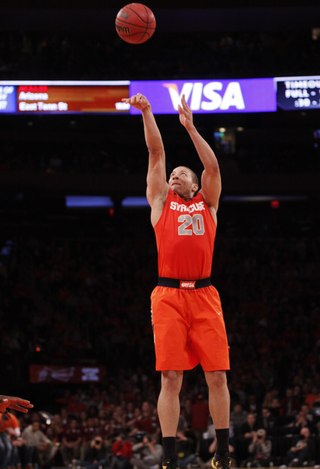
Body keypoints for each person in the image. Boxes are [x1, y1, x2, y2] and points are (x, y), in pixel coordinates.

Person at [122, 93, 230, 469]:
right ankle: (169, 457)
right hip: (167, 295)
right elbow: (155, 154)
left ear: (194, 185)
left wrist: (190, 127)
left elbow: (213, 168)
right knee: (170, 377)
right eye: (172, 174)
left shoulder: (208, 204)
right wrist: (148, 113)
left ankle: (224, 453)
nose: (173, 176)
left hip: (204, 294)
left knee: (217, 376)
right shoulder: (160, 205)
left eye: (180, 173)